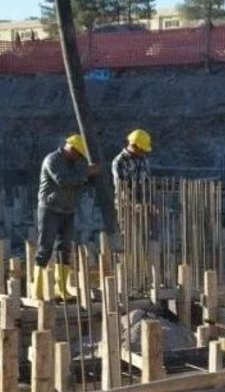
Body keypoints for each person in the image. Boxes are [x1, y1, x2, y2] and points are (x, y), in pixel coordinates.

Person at [34, 134, 100, 299]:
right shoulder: (53, 160)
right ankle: (38, 291)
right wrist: (86, 172)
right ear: (71, 148)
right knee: (45, 248)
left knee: (64, 249)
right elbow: (62, 180)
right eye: (78, 154)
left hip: (67, 210)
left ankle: (61, 288)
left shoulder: (74, 163)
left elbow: (80, 181)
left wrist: (90, 176)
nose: (79, 157)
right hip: (50, 209)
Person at [111, 128, 152, 197]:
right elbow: (123, 188)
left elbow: (147, 181)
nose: (144, 152)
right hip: (126, 203)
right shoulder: (119, 161)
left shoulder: (143, 159)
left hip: (145, 201)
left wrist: (150, 201)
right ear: (134, 146)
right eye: (142, 150)